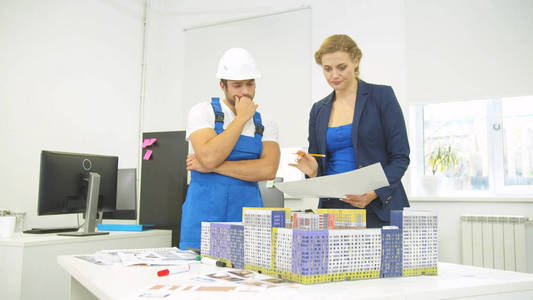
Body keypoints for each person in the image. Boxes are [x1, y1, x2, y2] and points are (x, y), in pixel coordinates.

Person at [290, 34, 410, 228]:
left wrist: (374, 192)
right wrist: (313, 171)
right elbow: (319, 163)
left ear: (356, 61)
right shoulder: (318, 109)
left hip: (376, 206)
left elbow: (400, 157)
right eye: (327, 69)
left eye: (341, 67)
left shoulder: (381, 97)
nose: (334, 75)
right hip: (333, 208)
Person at [180, 48, 280, 249]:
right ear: (222, 85)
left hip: (247, 218)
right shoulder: (202, 112)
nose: (245, 92)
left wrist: (215, 167)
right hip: (203, 216)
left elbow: (268, 170)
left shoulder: (266, 122)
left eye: (250, 84)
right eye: (237, 85)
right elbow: (208, 157)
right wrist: (242, 118)